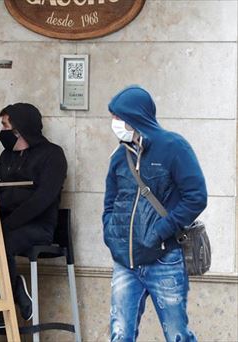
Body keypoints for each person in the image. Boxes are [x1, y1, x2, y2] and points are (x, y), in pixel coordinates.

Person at [103, 86, 207, 341]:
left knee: (177, 334)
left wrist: (160, 231)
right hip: (125, 262)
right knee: (120, 333)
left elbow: (196, 197)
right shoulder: (120, 155)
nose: (114, 123)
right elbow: (110, 202)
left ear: (135, 116)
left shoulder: (174, 146)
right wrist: (111, 234)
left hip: (165, 259)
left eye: (119, 117)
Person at [0, 103, 68, 327]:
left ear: (20, 128)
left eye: (5, 125)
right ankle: (15, 291)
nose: (2, 131)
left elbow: (42, 199)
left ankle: (2, 312)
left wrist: (5, 224)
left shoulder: (52, 155)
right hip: (5, 224)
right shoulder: (7, 157)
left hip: (37, 226)